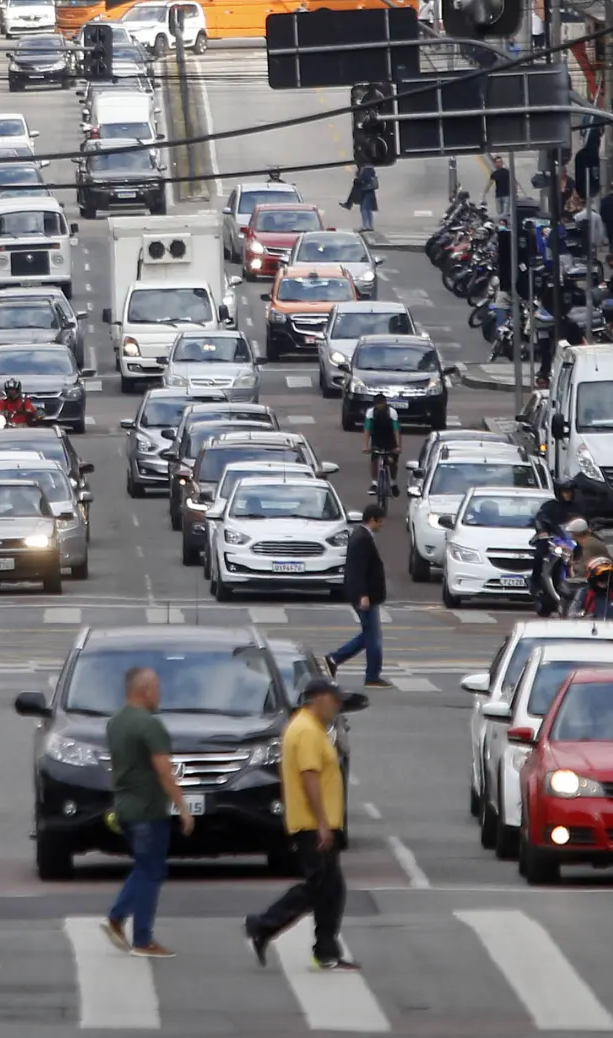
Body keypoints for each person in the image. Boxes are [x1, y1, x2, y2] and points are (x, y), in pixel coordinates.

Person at [244, 677, 357, 972]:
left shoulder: (309, 727)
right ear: (318, 698)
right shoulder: (306, 730)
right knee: (319, 885)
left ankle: (325, 949)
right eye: (334, 700)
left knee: (332, 888)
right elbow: (310, 778)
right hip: (312, 824)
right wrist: (321, 823)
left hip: (317, 823)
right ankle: (263, 924)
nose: (337, 706)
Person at [101, 667, 193, 959]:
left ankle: (121, 921)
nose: (160, 693)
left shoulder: (116, 722)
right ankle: (138, 935)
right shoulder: (150, 725)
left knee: (146, 868)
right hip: (148, 811)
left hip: (125, 808)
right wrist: (183, 807)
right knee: (151, 872)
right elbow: (164, 771)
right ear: (144, 689)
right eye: (157, 687)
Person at [325, 504, 389, 688]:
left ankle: (334, 659)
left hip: (367, 595)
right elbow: (358, 570)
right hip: (365, 596)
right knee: (373, 638)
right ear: (372, 520)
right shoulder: (362, 539)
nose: (382, 525)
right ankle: (371, 676)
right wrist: (363, 595)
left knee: (369, 636)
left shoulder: (361, 536)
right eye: (380, 521)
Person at [570, 556, 613, 620]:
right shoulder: (583, 593)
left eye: (607, 578)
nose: (604, 581)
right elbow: (571, 614)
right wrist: (583, 617)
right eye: (600, 577)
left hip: (612, 628)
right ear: (592, 578)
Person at [363, 394, 400, 496]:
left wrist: (398, 446)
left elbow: (396, 430)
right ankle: (374, 482)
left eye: (382, 405)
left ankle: (393, 482)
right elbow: (367, 429)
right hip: (377, 439)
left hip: (390, 439)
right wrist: (365, 446)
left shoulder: (392, 412)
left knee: (392, 461)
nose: (380, 407)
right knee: (374, 459)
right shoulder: (370, 413)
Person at [599, 183, 613, 254]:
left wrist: (604, 220)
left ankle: (612, 249)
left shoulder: (605, 200)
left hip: (608, 222)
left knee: (610, 236)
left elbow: (602, 211)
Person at [356, 164, 378, 232]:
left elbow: (362, 179)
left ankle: (365, 226)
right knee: (368, 209)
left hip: (366, 192)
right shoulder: (369, 169)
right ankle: (369, 225)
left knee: (364, 209)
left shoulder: (366, 169)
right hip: (369, 192)